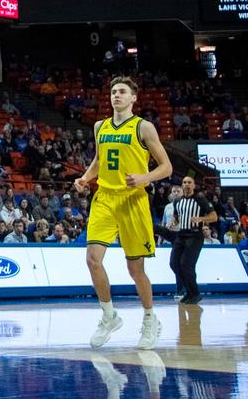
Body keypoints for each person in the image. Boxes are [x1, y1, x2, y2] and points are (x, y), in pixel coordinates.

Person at [74, 77, 172, 350]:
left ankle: (150, 319)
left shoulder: (144, 127)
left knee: (135, 268)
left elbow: (166, 167)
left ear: (133, 98)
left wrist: (144, 177)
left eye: (122, 92)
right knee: (92, 260)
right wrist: (85, 178)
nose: (116, 95)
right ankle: (109, 316)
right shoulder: (99, 126)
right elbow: (98, 160)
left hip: (132, 200)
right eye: (113, 91)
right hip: (104, 198)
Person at [168, 175, 216, 304]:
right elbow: (177, 216)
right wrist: (173, 222)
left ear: (194, 185)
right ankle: (190, 291)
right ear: (182, 185)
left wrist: (201, 219)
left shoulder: (200, 198)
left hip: (195, 235)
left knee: (186, 265)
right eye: (184, 182)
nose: (187, 184)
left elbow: (214, 217)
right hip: (181, 234)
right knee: (174, 264)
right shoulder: (177, 201)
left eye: (189, 182)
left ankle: (194, 293)